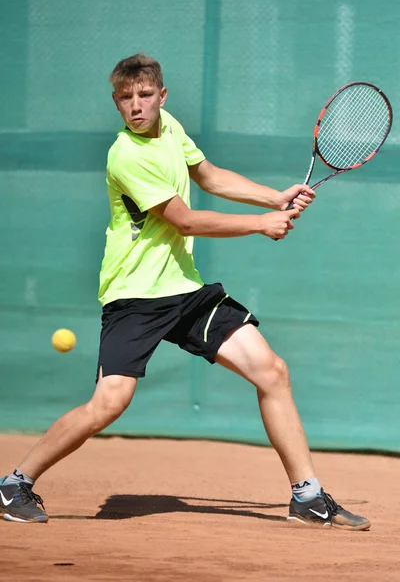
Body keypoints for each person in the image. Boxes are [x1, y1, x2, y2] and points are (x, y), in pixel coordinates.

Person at [0, 53, 369, 530]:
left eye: (145, 95)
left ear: (162, 96)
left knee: (271, 371)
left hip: (185, 289)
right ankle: (15, 483)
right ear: (116, 103)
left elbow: (209, 176)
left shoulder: (169, 126)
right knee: (110, 403)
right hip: (134, 296)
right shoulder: (126, 155)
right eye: (126, 99)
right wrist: (261, 224)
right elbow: (186, 219)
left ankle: (308, 497)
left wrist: (273, 196)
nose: (137, 106)